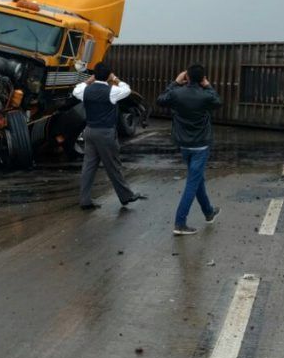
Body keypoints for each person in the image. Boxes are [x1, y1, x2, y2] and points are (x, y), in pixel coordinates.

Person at [156, 64, 222, 235]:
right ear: (202, 79)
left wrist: (175, 83)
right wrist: (208, 85)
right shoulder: (206, 95)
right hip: (201, 145)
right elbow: (218, 101)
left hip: (184, 145)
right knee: (192, 183)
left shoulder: (176, 93)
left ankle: (209, 212)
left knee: (197, 179)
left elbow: (160, 100)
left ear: (187, 77)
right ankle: (180, 223)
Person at [73, 62, 146, 210]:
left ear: (94, 75)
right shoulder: (111, 91)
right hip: (105, 132)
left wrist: (89, 80)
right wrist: (116, 79)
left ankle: (85, 200)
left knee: (88, 166)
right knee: (113, 165)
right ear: (108, 76)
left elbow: (76, 89)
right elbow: (127, 90)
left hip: (89, 131)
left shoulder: (85, 90)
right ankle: (126, 196)